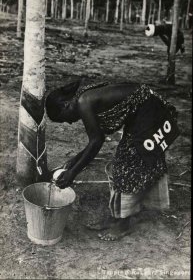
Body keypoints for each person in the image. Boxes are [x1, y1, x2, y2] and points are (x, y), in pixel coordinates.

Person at [45, 80, 179, 241]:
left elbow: (96, 141)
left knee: (129, 165)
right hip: (141, 110)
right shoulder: (83, 98)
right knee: (125, 161)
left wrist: (72, 173)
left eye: (63, 119)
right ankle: (118, 216)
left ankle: (123, 224)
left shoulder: (83, 103)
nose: (69, 122)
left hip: (149, 111)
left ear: (65, 105)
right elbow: (96, 139)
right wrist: (72, 163)